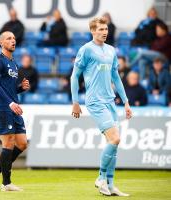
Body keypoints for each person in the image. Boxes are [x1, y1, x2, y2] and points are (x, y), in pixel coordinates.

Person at [71, 17, 132, 196]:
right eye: (101, 29)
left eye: (106, 29)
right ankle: (100, 177)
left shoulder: (112, 50)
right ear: (93, 31)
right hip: (95, 101)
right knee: (115, 139)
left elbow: (116, 77)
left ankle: (110, 185)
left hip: (110, 101)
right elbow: (75, 76)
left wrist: (126, 101)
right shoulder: (86, 50)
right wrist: (75, 102)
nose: (105, 32)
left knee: (113, 145)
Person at [0, 31, 30, 191]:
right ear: (1, 43)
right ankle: (6, 183)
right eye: (9, 38)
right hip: (3, 108)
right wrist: (11, 103)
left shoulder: (14, 63)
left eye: (14, 38)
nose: (13, 41)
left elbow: (9, 89)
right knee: (9, 143)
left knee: (22, 143)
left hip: (13, 106)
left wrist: (20, 88)